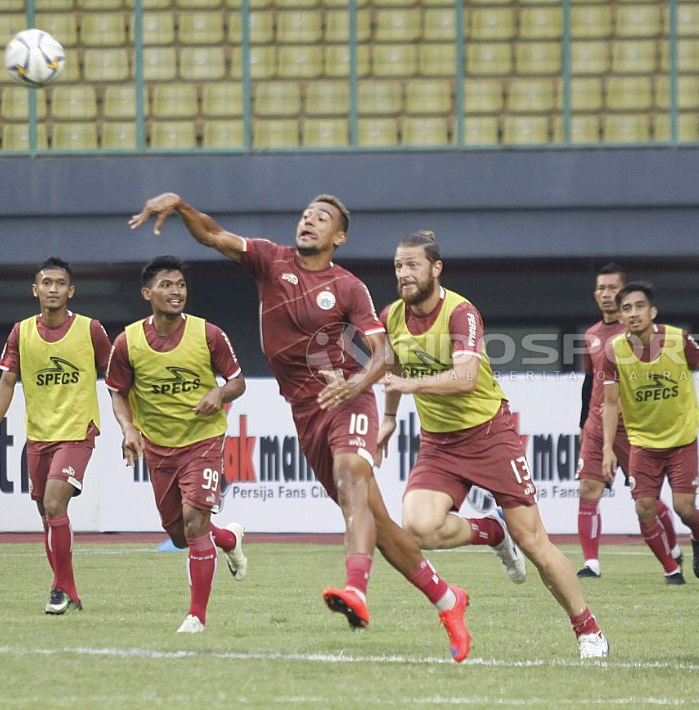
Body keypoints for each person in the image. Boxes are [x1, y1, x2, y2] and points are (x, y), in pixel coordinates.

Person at [129, 196, 471, 660]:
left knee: (352, 476)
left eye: (322, 218)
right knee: (381, 524)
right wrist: (181, 205)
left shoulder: (347, 287)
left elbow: (383, 355)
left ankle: (356, 590)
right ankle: (449, 601)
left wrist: (355, 385)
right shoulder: (271, 260)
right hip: (306, 412)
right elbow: (213, 235)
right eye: (307, 214)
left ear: (339, 237)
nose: (309, 220)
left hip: (349, 398)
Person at [378, 231, 610, 660]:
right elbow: (391, 365)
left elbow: (465, 379)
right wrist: (389, 418)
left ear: (435, 268)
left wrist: (411, 384)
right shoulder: (391, 315)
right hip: (439, 444)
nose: (404, 273)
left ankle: (588, 629)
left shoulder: (460, 312)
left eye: (412, 265)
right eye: (398, 265)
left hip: (489, 436)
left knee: (535, 542)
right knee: (418, 527)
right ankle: (491, 531)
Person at [106, 256, 249, 633]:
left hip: (202, 439)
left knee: (194, 518)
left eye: (181, 285)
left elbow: (238, 381)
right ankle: (229, 538)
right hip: (158, 445)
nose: (176, 292)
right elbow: (117, 392)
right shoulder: (128, 342)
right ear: (147, 293)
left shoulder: (208, 334)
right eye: (167, 285)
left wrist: (219, 392)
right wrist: (128, 429)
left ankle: (196, 617)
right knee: (180, 534)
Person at [0, 257, 112, 615]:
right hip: (38, 436)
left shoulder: (91, 330)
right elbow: (7, 382)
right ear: (35, 290)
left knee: (55, 504)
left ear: (71, 290)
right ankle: (69, 590)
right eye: (46, 283)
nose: (53, 289)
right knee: (46, 514)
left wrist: (132, 423)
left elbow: (116, 379)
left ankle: (59, 589)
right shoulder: (20, 332)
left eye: (60, 283)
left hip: (76, 432)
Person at [596, 282, 699, 586]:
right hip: (642, 442)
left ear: (653, 312)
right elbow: (610, 404)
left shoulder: (679, 340)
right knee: (644, 507)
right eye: (626, 309)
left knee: (684, 508)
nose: (633, 313)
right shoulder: (614, 352)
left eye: (639, 307)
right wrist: (608, 450)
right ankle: (671, 570)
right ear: (620, 317)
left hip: (681, 438)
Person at [575, 264, 683, 579]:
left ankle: (673, 548)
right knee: (588, 487)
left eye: (613, 288)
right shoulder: (592, 335)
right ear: (596, 295)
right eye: (602, 288)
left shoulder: (637, 335)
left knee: (646, 500)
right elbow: (589, 381)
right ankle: (591, 563)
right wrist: (583, 423)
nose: (607, 294)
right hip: (598, 426)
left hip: (635, 430)